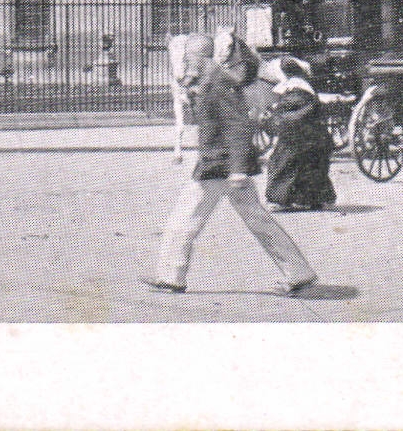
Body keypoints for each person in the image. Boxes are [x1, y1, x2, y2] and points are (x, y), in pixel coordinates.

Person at [142, 38, 318, 296]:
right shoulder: (209, 81)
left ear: (199, 56)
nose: (185, 62)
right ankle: (299, 273)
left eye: (188, 57)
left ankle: (171, 277)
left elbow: (237, 125)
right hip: (223, 164)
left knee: (184, 218)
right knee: (258, 220)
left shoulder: (217, 83)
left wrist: (237, 169)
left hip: (221, 166)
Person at [262, 57, 336, 212]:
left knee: (283, 161)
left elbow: (291, 114)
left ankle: (280, 199)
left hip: (300, 136)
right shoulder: (302, 87)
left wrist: (272, 115)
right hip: (313, 136)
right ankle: (312, 199)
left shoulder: (297, 90)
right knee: (310, 167)